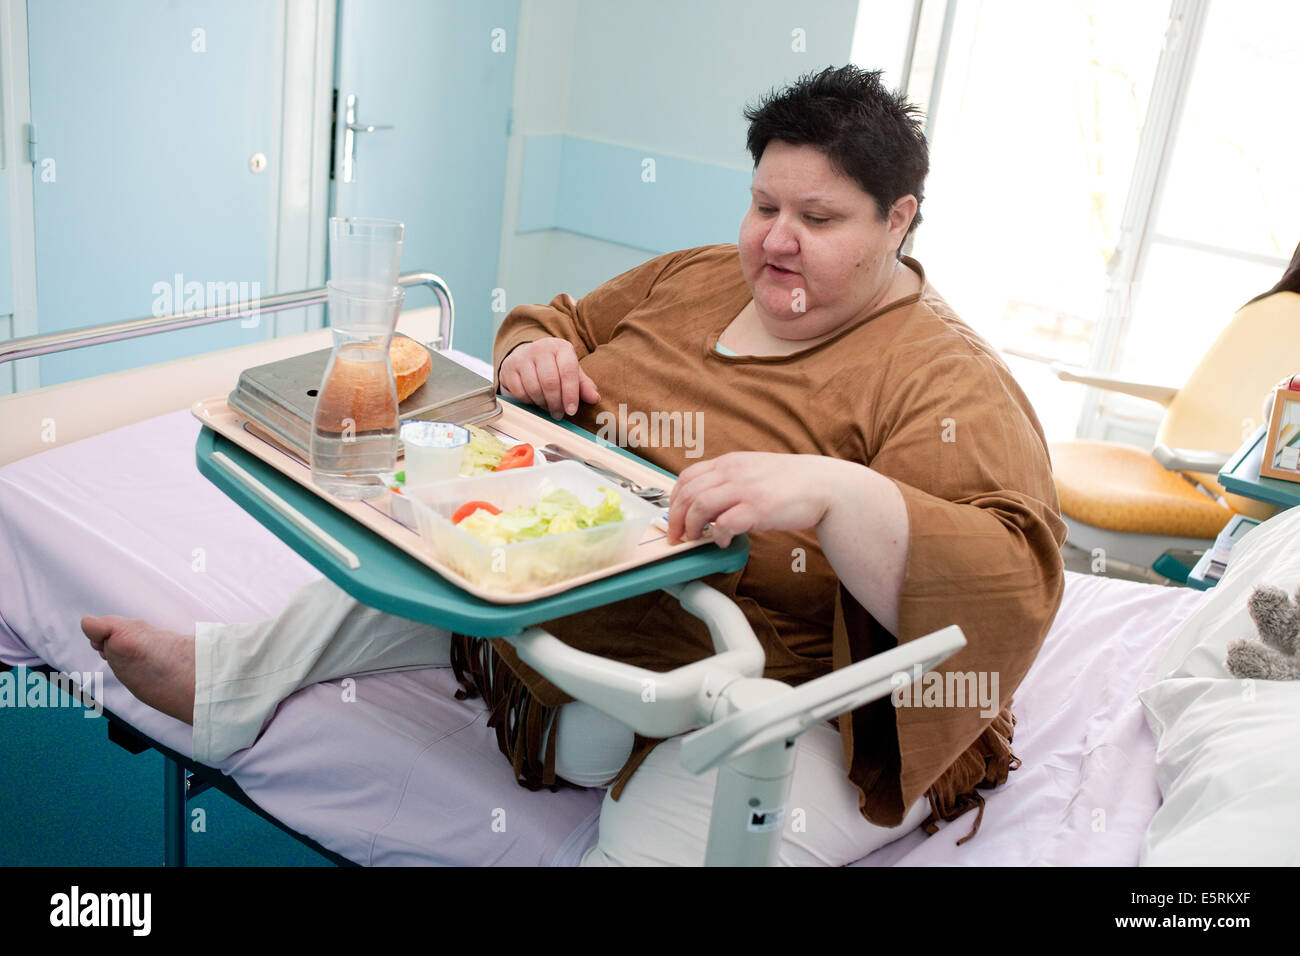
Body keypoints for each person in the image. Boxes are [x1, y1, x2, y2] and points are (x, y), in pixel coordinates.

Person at [81, 65, 1067, 865]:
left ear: (897, 221)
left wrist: (837, 489)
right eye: (763, 203)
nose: (774, 238)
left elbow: (1011, 579)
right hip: (577, 586)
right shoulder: (695, 275)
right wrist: (527, 353)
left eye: (818, 219)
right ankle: (225, 683)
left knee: (652, 839)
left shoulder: (947, 379)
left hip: (769, 677)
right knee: (417, 539)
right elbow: (555, 317)